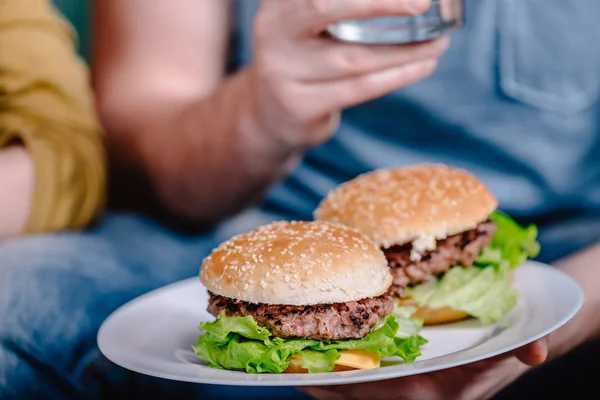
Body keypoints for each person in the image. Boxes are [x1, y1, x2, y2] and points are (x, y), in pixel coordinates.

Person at [0, 0, 598, 399]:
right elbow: (136, 145)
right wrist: (260, 110)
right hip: (243, 222)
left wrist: (565, 311)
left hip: (574, 245)